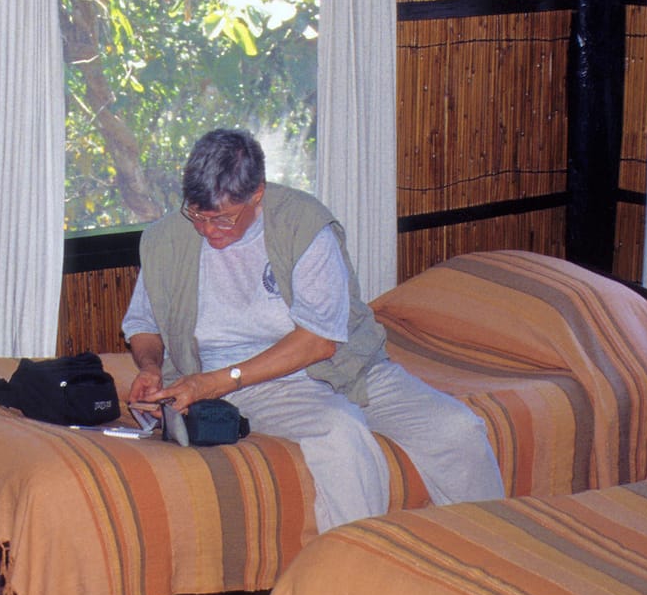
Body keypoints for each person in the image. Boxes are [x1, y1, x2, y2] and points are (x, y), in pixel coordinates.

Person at [123, 128, 504, 532]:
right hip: (252, 384)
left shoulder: (304, 225)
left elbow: (320, 342)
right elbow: (145, 325)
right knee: (343, 437)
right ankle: (357, 565)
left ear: (257, 194)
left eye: (222, 219)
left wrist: (211, 384)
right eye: (197, 215)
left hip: (346, 366)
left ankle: (489, 551)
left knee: (459, 431)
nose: (208, 229)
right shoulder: (165, 239)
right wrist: (150, 367)